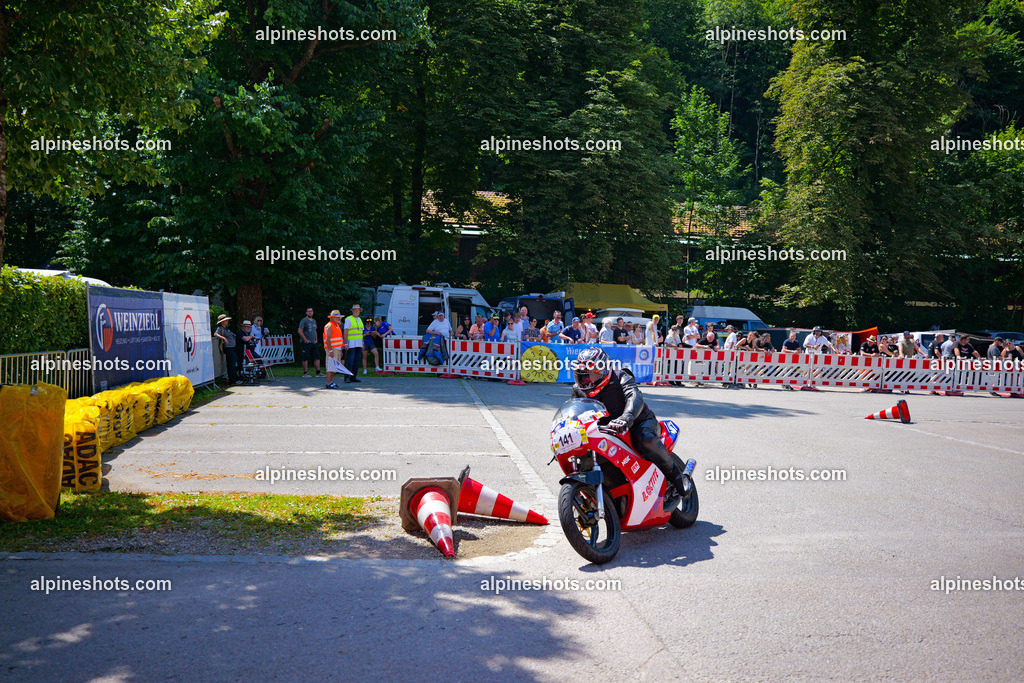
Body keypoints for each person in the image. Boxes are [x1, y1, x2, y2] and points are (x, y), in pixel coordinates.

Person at [572, 347, 693, 506]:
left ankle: (678, 480)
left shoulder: (621, 376)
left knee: (644, 439)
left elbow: (634, 396)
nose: (588, 381)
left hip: (638, 421)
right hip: (606, 431)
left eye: (592, 375)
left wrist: (626, 417)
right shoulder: (578, 390)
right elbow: (574, 413)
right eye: (584, 377)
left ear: (604, 370)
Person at [213, 314, 240, 384]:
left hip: (232, 347)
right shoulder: (220, 328)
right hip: (228, 348)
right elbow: (215, 334)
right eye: (226, 320)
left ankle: (235, 378)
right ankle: (232, 380)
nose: (227, 321)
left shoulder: (226, 328)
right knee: (231, 363)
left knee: (233, 363)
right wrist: (224, 338)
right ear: (222, 322)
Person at [323, 310, 346, 389]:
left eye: (339, 317)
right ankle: (328, 383)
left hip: (337, 349)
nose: (339, 318)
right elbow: (327, 339)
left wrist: (340, 350)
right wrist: (330, 351)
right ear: (332, 318)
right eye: (337, 317)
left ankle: (331, 382)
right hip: (333, 349)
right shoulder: (330, 326)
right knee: (331, 367)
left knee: (334, 367)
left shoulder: (336, 325)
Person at [343, 304, 364, 383]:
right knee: (350, 361)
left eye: (358, 310)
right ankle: (346, 377)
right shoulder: (349, 319)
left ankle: (353, 377)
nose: (357, 311)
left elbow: (361, 332)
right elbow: (345, 331)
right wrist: (345, 343)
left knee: (357, 361)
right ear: (352, 311)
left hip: (358, 343)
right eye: (355, 309)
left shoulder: (359, 319)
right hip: (351, 343)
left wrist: (362, 343)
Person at [298, 307, 321, 378]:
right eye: (308, 311)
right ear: (306, 312)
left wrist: (316, 339)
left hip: (314, 342)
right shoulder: (304, 320)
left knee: (317, 357)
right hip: (306, 342)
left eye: (311, 311)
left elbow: (315, 331)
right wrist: (305, 339)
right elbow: (300, 330)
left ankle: (318, 372)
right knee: (305, 357)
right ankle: (305, 373)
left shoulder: (314, 321)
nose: (310, 312)